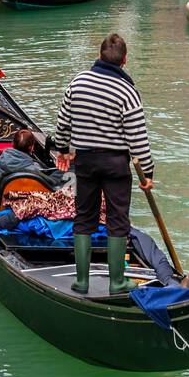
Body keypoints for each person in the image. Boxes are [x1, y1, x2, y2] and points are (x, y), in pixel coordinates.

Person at [54, 33, 154, 296]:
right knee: (117, 220)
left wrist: (63, 150)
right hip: (115, 165)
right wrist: (147, 173)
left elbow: (63, 124)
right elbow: (138, 138)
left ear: (99, 56)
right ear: (124, 60)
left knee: (84, 217)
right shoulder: (128, 92)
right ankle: (117, 282)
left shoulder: (78, 83)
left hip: (85, 162)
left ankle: (82, 282)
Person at [0, 128, 69, 203]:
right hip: (23, 207)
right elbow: (51, 187)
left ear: (13, 144)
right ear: (31, 147)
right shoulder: (36, 170)